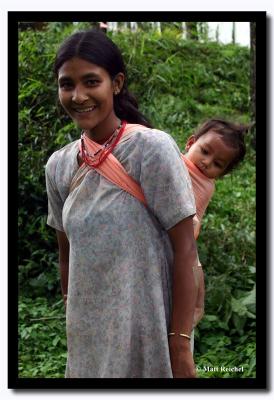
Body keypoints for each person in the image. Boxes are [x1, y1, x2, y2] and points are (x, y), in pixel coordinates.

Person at [45, 29, 198, 378]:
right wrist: (75, 318)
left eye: (90, 81)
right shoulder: (59, 167)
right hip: (88, 339)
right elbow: (66, 255)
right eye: (66, 84)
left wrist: (179, 345)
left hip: (149, 334)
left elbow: (186, 250)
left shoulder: (151, 149)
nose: (78, 95)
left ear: (116, 84)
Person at [181, 118, 248, 341]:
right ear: (190, 143)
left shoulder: (207, 185)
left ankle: (196, 310)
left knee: (194, 273)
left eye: (218, 164)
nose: (207, 163)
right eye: (205, 151)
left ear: (222, 173)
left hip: (185, 236)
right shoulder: (173, 160)